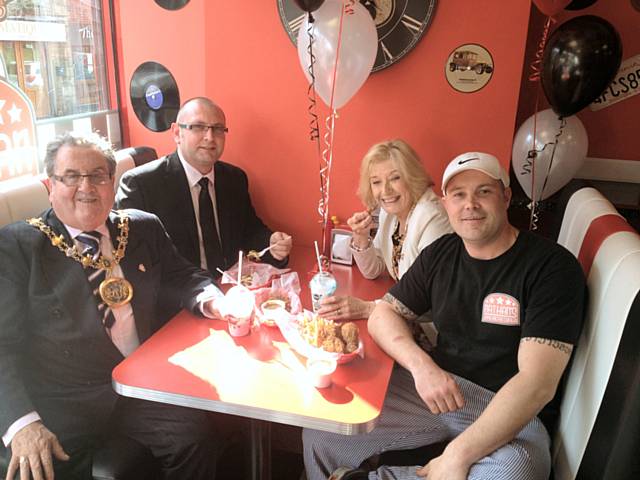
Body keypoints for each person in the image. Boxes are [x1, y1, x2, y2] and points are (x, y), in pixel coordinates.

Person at [303, 152, 587, 480]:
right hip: (440, 390)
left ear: (506, 197)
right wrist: (423, 368)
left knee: (515, 472)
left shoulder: (552, 267)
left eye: (484, 191)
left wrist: (457, 455)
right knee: (322, 434)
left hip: (508, 408)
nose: (470, 204)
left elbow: (536, 384)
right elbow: (384, 313)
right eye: (459, 194)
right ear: (446, 202)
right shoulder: (442, 252)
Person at [0, 133, 228, 480]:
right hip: (63, 401)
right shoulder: (18, 246)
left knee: (195, 436)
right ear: (50, 184)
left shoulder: (140, 228)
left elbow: (185, 276)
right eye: (71, 176)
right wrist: (21, 423)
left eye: (97, 175)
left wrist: (215, 300)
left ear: (112, 181)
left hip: (138, 385)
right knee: (33, 469)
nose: (86, 187)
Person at [115, 97, 292, 275]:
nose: (210, 137)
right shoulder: (141, 185)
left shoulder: (234, 178)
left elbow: (249, 231)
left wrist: (272, 243)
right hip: (179, 293)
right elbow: (136, 261)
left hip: (230, 286)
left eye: (217, 129)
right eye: (198, 127)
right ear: (177, 133)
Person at [318, 139, 451, 321]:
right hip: (399, 317)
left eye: (395, 178)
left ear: (412, 177)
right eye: (376, 182)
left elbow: (428, 300)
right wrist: (361, 237)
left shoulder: (432, 218)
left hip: (433, 330)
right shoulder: (389, 214)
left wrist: (368, 308)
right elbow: (373, 270)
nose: (385, 190)